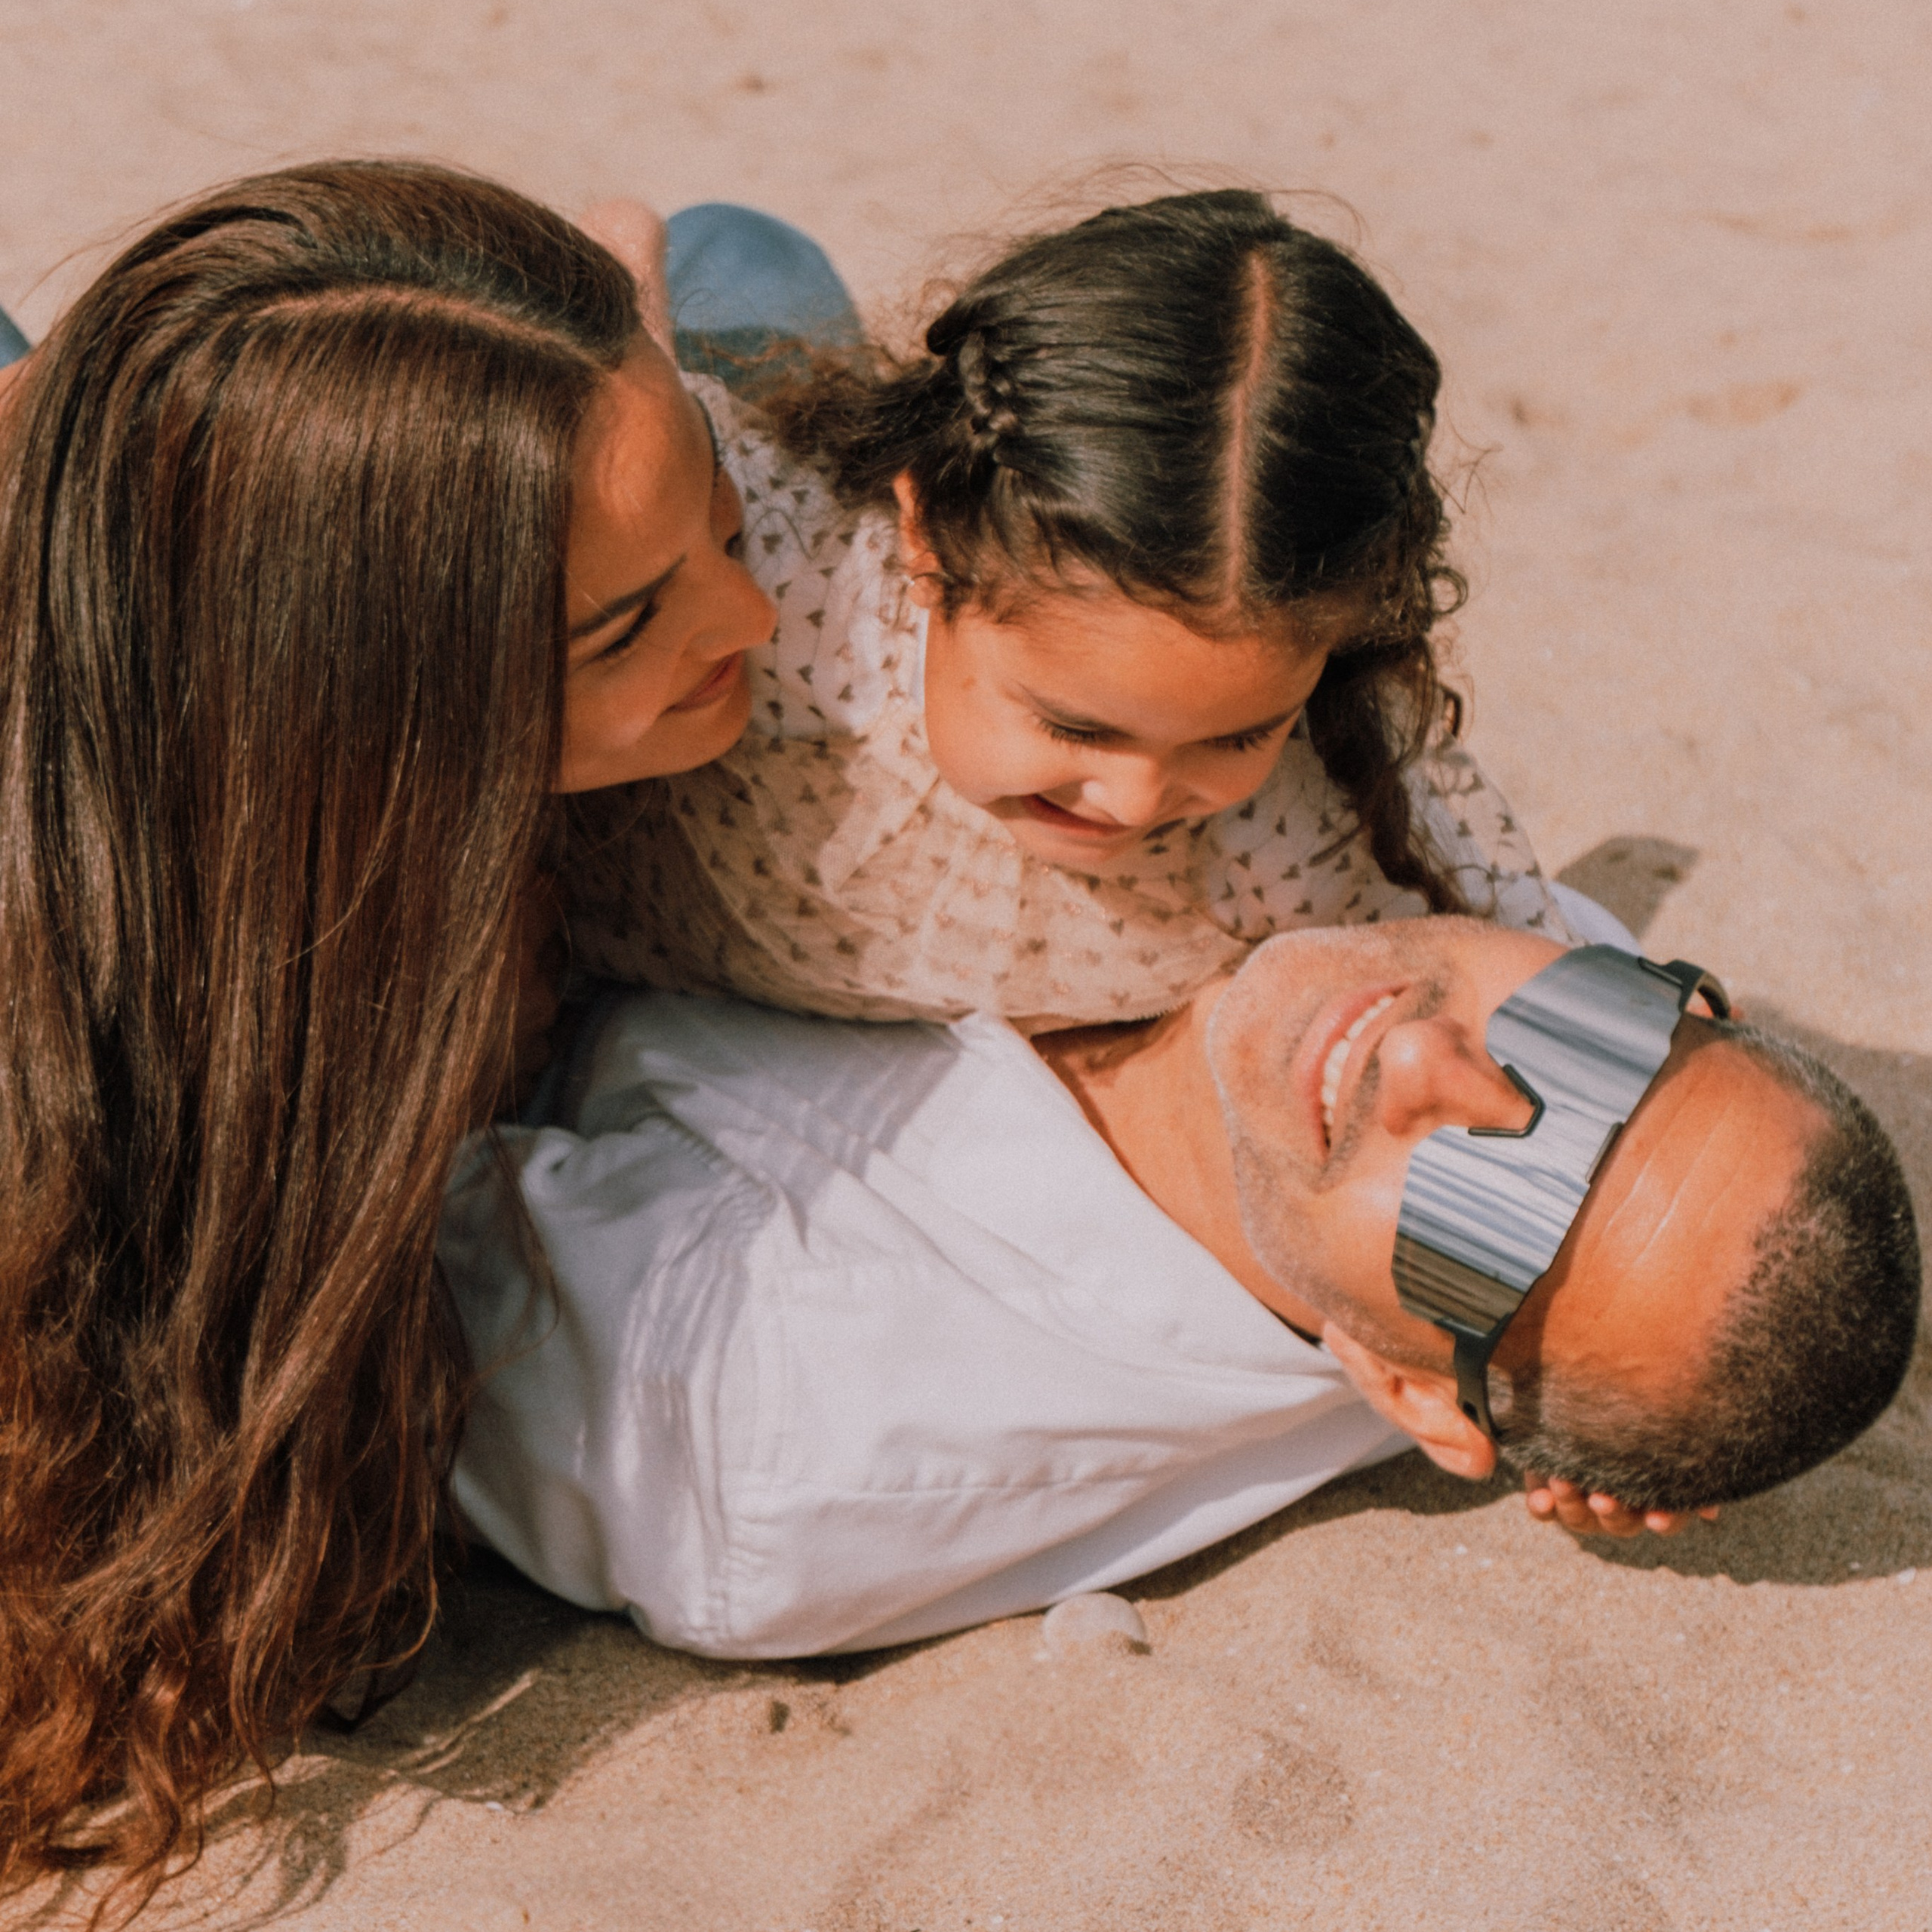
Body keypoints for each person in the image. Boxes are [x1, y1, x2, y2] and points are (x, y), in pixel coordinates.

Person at [0, 160, 773, 1900]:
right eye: (628, 622)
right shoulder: (122, 1068)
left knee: (739, 258)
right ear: (359, 722)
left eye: (722, 519)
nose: (760, 618)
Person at [440, 917, 1920, 1657]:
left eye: (1493, 1209)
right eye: (1594, 1034)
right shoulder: (1497, 931)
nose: (1424, 1058)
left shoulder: (779, 1424)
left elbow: (297, 1223)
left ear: (1407, 1386)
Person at [563, 189, 1573, 1035]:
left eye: (1237, 734)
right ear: (926, 544)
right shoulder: (783, 603)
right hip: (794, 436)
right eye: (1074, 725)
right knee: (742, 269)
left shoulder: (1316, 822)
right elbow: (609, 476)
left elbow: (1516, 972)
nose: (1135, 803)